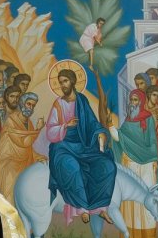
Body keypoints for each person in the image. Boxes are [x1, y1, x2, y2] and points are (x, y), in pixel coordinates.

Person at [37, 66, 117, 220]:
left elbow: (92, 122)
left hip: (83, 146)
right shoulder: (58, 104)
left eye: (65, 81)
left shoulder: (82, 100)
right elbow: (50, 131)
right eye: (60, 82)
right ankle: (82, 208)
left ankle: (100, 207)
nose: (63, 85)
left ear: (72, 81)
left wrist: (100, 131)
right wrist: (66, 126)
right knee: (73, 168)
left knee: (108, 166)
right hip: (62, 147)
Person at [119, 87, 158, 238]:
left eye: (136, 100)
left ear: (142, 102)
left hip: (146, 167)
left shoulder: (148, 118)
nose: (133, 103)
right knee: (130, 207)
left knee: (146, 207)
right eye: (131, 100)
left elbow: (152, 140)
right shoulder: (127, 121)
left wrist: (153, 160)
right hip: (130, 165)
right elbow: (121, 140)